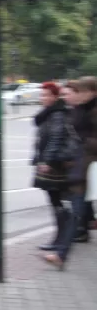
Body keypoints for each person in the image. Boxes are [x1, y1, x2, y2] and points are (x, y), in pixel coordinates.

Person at [44, 77, 97, 269]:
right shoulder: (78, 111)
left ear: (92, 92)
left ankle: (61, 253)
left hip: (91, 168)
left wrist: (84, 143)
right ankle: (61, 255)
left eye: (81, 91)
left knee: (77, 211)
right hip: (82, 169)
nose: (77, 95)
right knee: (76, 212)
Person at [31, 82, 73, 251]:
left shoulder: (57, 114)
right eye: (42, 95)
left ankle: (61, 238)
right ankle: (60, 237)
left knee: (58, 202)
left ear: (55, 97)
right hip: (50, 162)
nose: (43, 98)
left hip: (55, 165)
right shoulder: (48, 113)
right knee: (55, 201)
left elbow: (56, 138)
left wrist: (46, 161)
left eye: (47, 95)